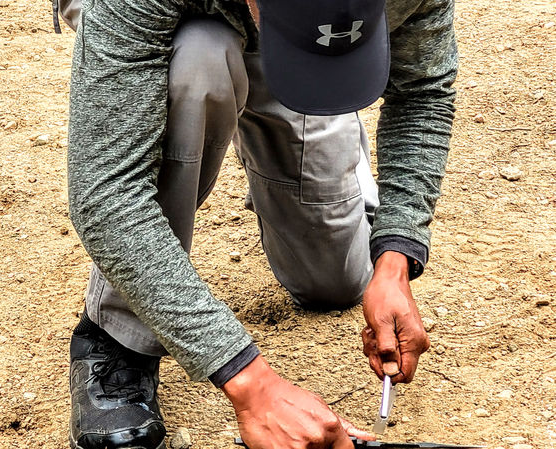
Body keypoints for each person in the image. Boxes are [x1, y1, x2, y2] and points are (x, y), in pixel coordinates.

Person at [58, 0, 458, 447]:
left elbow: (422, 90)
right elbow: (107, 190)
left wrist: (395, 257)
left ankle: (332, 113)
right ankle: (116, 334)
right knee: (200, 58)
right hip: (174, 30)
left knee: (337, 280)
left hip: (296, 45)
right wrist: (251, 382)